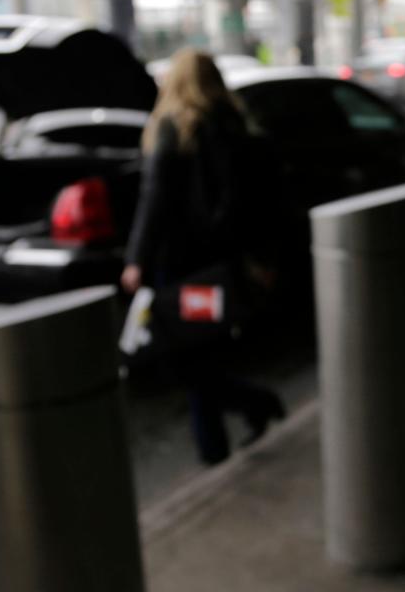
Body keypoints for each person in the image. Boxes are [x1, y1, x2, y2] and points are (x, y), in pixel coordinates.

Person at [122, 48, 285, 465]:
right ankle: (244, 415)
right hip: (222, 265)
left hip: (180, 266)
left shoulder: (173, 128)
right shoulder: (237, 126)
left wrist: (136, 259)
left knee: (183, 360)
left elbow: (154, 199)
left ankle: (226, 438)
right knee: (202, 353)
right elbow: (260, 200)